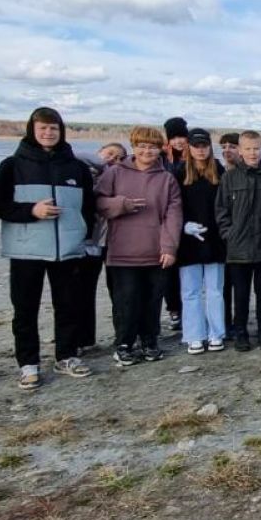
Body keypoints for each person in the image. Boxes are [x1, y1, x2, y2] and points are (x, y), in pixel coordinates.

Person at [0, 107, 96, 390]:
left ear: (61, 131)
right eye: (43, 129)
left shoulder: (75, 168)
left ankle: (67, 355)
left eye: (53, 128)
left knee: (68, 306)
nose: (48, 133)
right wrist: (31, 210)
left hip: (68, 248)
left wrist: (82, 234)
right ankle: (28, 363)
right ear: (32, 131)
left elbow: (89, 206)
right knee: (25, 308)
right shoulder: (12, 165)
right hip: (27, 249)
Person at [95, 125, 182, 365]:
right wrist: (120, 205)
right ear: (133, 147)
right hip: (122, 252)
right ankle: (124, 344)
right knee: (126, 300)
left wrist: (169, 248)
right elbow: (98, 202)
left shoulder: (166, 179)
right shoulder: (115, 173)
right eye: (142, 146)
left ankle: (149, 341)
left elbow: (172, 216)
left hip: (155, 252)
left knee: (152, 299)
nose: (147, 151)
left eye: (152, 147)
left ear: (160, 150)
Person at [215, 130, 261, 351]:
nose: (253, 153)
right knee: (240, 294)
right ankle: (240, 332)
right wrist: (228, 234)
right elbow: (221, 209)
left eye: (256, 148)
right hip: (238, 247)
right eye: (248, 149)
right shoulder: (229, 177)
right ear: (240, 151)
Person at [176, 128, 227, 355]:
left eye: (204, 145)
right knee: (191, 291)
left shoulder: (219, 170)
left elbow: (226, 204)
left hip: (215, 238)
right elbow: (173, 205)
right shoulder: (178, 172)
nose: (200, 150)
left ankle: (216, 333)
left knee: (215, 290)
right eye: (196, 146)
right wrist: (183, 225)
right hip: (189, 239)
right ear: (189, 148)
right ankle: (194, 335)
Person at [72, 142, 125, 354]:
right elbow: (74, 154)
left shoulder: (120, 178)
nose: (113, 159)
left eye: (120, 157)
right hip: (88, 243)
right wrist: (102, 164)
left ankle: (123, 335)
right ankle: (84, 339)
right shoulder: (82, 171)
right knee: (83, 291)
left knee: (119, 292)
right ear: (99, 153)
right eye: (110, 153)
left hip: (114, 242)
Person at [161, 117, 189, 332]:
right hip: (166, 221)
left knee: (186, 269)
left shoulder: (195, 158)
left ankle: (187, 309)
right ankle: (174, 310)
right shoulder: (162, 160)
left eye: (182, 136)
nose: (179, 141)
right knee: (169, 270)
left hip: (190, 221)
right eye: (174, 137)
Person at [217, 132, 240, 337]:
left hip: (245, 240)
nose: (227, 150)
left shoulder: (259, 172)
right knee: (222, 285)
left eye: (232, 145)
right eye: (223, 146)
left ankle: (238, 322)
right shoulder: (217, 171)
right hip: (223, 239)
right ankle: (224, 322)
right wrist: (226, 232)